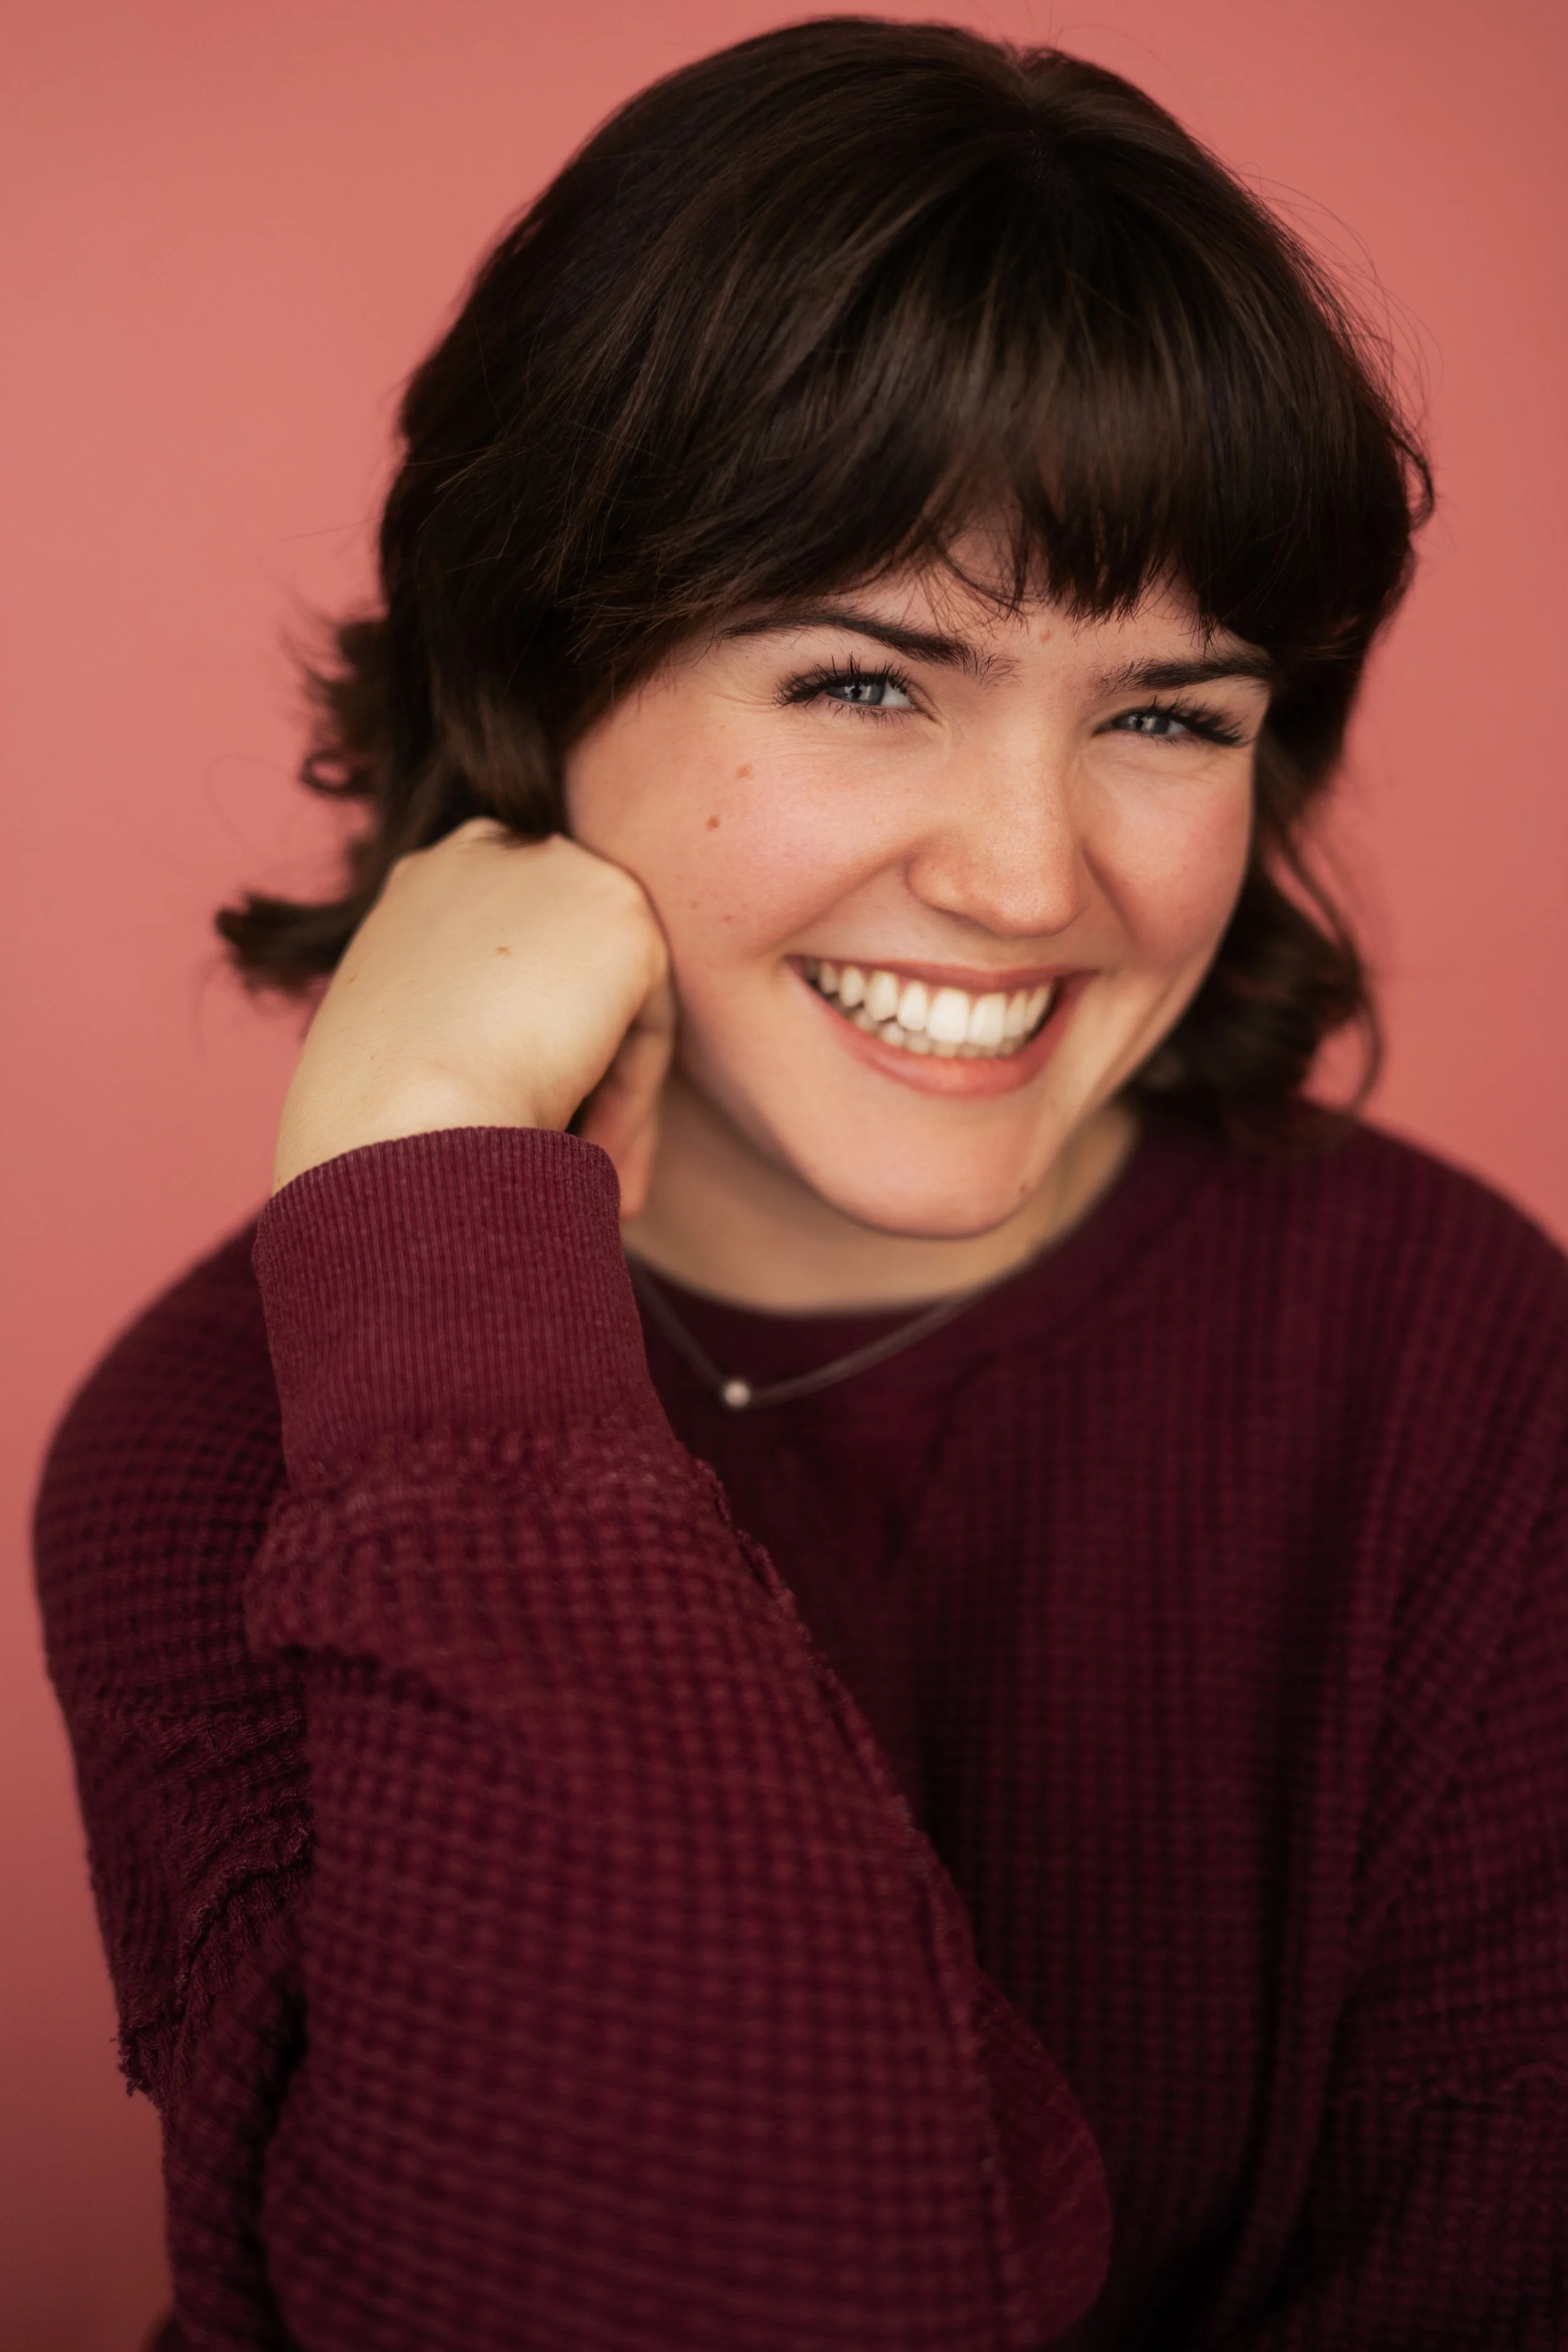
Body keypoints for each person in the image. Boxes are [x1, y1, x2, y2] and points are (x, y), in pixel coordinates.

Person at [34, 18, 1568, 2349]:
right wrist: (449, 1246)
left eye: (1168, 714)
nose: (1028, 875)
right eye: (866, 681)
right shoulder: (207, 1446)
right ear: (543, 675)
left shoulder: (1460, 1366)